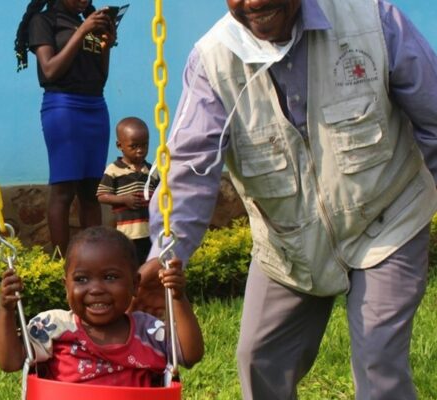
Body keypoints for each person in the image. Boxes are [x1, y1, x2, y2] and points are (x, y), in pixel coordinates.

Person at [134, 0, 437, 398]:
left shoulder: (371, 19)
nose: (254, 2)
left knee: (378, 362)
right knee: (260, 359)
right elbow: (191, 170)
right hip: (289, 242)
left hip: (388, 221)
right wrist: (165, 254)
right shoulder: (213, 61)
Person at [0, 225, 204, 386]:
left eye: (110, 277)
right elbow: (10, 362)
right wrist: (5, 309)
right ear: (66, 287)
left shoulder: (148, 331)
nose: (96, 289)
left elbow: (189, 355)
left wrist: (178, 298)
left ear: (135, 284)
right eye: (82, 279)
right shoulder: (52, 327)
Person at [14, 0, 117, 255]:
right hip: (64, 107)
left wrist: (106, 44)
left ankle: (93, 259)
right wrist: (82, 32)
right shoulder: (43, 21)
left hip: (96, 107)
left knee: (91, 192)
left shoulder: (84, 24)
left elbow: (101, 77)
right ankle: (62, 263)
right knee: (64, 189)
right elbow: (50, 70)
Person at [97, 117, 160, 265]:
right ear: (120, 145)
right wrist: (123, 199)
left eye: (144, 145)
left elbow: (159, 194)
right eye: (134, 146)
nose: (140, 150)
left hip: (149, 232)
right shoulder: (114, 170)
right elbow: (101, 196)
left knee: (149, 264)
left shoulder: (151, 170)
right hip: (126, 233)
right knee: (129, 263)